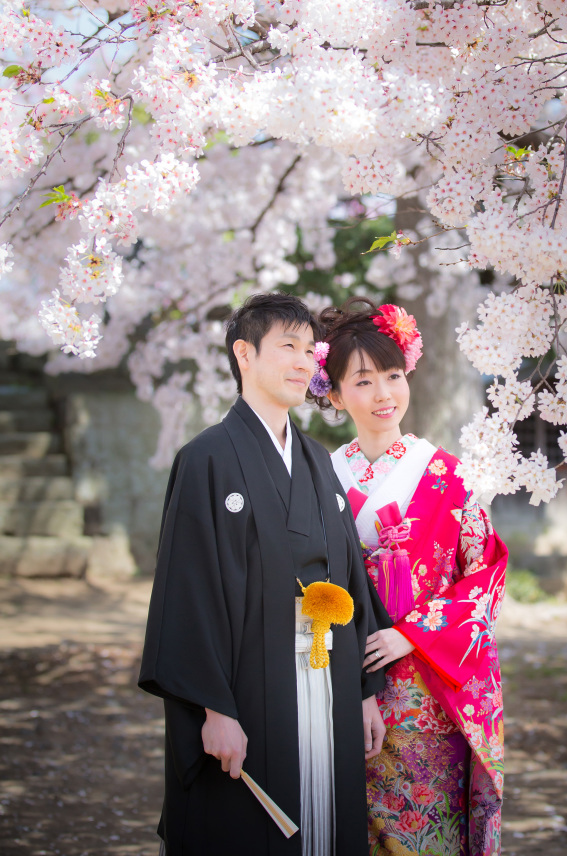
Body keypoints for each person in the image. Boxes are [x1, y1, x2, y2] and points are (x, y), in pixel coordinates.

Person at [139, 292, 390, 856]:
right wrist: (215, 708)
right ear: (244, 354)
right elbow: (189, 593)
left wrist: (364, 695)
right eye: (288, 347)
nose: (304, 362)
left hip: (327, 673)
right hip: (246, 683)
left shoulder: (318, 459)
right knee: (249, 829)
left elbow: (350, 577)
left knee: (323, 823)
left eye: (309, 349)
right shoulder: (206, 458)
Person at [313, 298, 508, 856]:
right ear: (334, 394)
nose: (384, 394)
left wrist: (414, 633)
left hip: (426, 691)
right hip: (340, 679)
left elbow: (485, 578)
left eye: (393, 376)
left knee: (422, 831)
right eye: (364, 381)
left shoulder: (448, 476)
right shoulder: (321, 476)